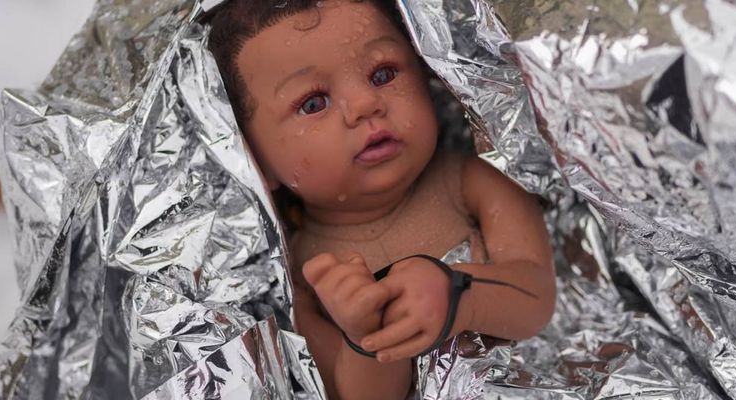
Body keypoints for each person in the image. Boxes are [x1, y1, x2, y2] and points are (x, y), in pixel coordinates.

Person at [205, 1, 556, 398]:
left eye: (383, 74)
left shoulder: (470, 181)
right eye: (313, 103)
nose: (364, 104)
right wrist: (365, 338)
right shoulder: (305, 276)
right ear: (254, 162)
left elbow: (538, 297)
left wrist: (462, 294)